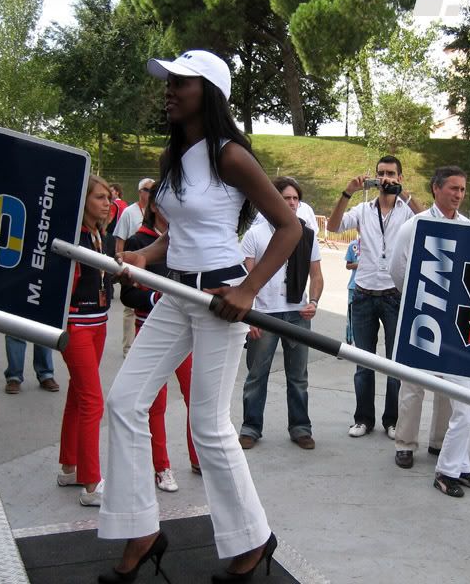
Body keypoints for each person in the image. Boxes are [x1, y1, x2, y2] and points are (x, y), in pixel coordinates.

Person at [97, 49, 300, 584]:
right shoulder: (173, 159)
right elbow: (177, 233)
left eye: (180, 83)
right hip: (175, 294)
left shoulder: (230, 156)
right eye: (167, 82)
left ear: (207, 91)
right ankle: (140, 527)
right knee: (124, 402)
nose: (168, 90)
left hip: (218, 298)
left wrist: (249, 290)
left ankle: (252, 540)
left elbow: (289, 227)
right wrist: (143, 256)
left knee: (207, 425)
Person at [388, 166, 470, 497]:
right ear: (436, 189)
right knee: (413, 384)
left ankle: (440, 443)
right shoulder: (414, 227)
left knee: (449, 388)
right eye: (453, 188)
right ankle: (405, 443)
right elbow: (397, 269)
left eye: (462, 189)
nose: (458, 194)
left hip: (454, 322)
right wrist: (416, 301)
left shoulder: (468, 227)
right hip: (420, 317)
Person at [326, 156, 423, 439]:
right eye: (381, 173)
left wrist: (404, 194)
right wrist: (347, 192)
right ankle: (363, 419)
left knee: (395, 364)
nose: (385, 178)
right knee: (363, 363)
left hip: (394, 296)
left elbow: (429, 220)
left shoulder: (406, 211)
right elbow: (333, 226)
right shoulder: (363, 209)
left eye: (391, 173)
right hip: (364, 294)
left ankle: (392, 421)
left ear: (400, 177)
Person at [120, 185, 200, 489]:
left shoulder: (186, 239)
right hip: (150, 328)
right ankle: (161, 466)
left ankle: (197, 457)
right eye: (167, 205)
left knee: (196, 395)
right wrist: (159, 300)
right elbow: (127, 295)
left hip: (185, 332)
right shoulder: (138, 241)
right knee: (156, 403)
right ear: (154, 206)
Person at [238, 176, 324, 451]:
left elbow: (317, 274)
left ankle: (300, 428)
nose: (292, 203)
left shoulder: (306, 233)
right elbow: (245, 276)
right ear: (273, 200)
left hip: (297, 313)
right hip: (263, 314)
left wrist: (313, 301)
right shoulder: (255, 234)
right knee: (256, 375)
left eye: (295, 199)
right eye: (286, 198)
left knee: (298, 376)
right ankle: (251, 427)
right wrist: (249, 315)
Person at [56, 174, 112, 507]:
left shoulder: (100, 234)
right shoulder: (72, 237)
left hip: (99, 323)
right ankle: (91, 485)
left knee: (78, 397)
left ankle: (69, 467)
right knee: (93, 401)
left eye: (108, 198)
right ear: (84, 201)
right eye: (100, 198)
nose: (107, 203)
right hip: (77, 325)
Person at [114, 178, 156, 357]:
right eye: (147, 190)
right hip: (133, 260)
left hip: (150, 263)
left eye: (152, 190)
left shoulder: (159, 214)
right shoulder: (129, 212)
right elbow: (120, 241)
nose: (149, 193)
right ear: (140, 192)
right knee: (130, 310)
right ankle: (128, 348)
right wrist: (120, 265)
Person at [344, 237, 360, 344]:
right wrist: (359, 265)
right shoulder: (354, 245)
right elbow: (348, 265)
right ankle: (349, 342)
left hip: (370, 288)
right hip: (354, 286)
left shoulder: (377, 243)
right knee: (351, 315)